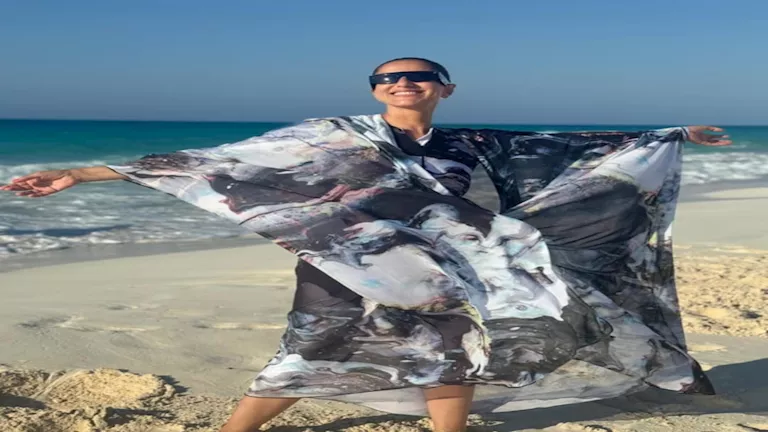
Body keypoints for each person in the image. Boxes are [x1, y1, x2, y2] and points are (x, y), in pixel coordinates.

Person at [1, 58, 731, 432]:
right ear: (377, 89)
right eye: (390, 78)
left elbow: (571, 149)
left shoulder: (473, 142)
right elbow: (213, 162)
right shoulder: (331, 135)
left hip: (445, 267)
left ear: (443, 89)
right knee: (315, 344)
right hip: (352, 261)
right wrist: (80, 173)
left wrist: (668, 135)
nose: (403, 84)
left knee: (454, 346)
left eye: (418, 77)